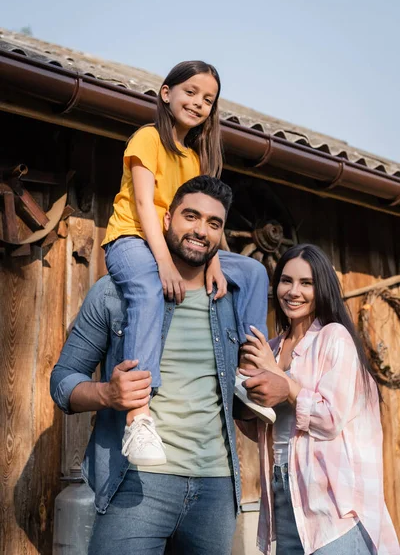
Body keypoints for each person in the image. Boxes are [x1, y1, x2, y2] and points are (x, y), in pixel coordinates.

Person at [51, 175, 289, 555]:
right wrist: (107, 394)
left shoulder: (231, 302)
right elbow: (62, 381)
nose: (201, 231)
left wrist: (274, 382)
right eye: (190, 216)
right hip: (135, 484)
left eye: (214, 224)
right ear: (166, 220)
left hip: (215, 488)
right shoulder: (115, 293)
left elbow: (250, 394)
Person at [101, 60, 229, 465]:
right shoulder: (147, 138)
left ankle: (245, 374)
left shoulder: (194, 160)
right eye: (190, 92)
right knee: (147, 289)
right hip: (131, 238)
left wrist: (215, 260)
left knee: (254, 273)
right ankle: (138, 418)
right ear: (165, 92)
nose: (198, 103)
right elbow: (143, 205)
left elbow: (202, 220)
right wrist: (165, 264)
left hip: (171, 246)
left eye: (207, 99)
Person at [238, 244, 400, 554]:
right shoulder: (270, 348)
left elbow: (328, 420)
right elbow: (261, 430)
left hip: (331, 499)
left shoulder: (333, 337)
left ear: (321, 288)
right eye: (286, 281)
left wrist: (281, 380)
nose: (293, 291)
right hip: (282, 490)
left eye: (306, 283)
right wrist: (243, 398)